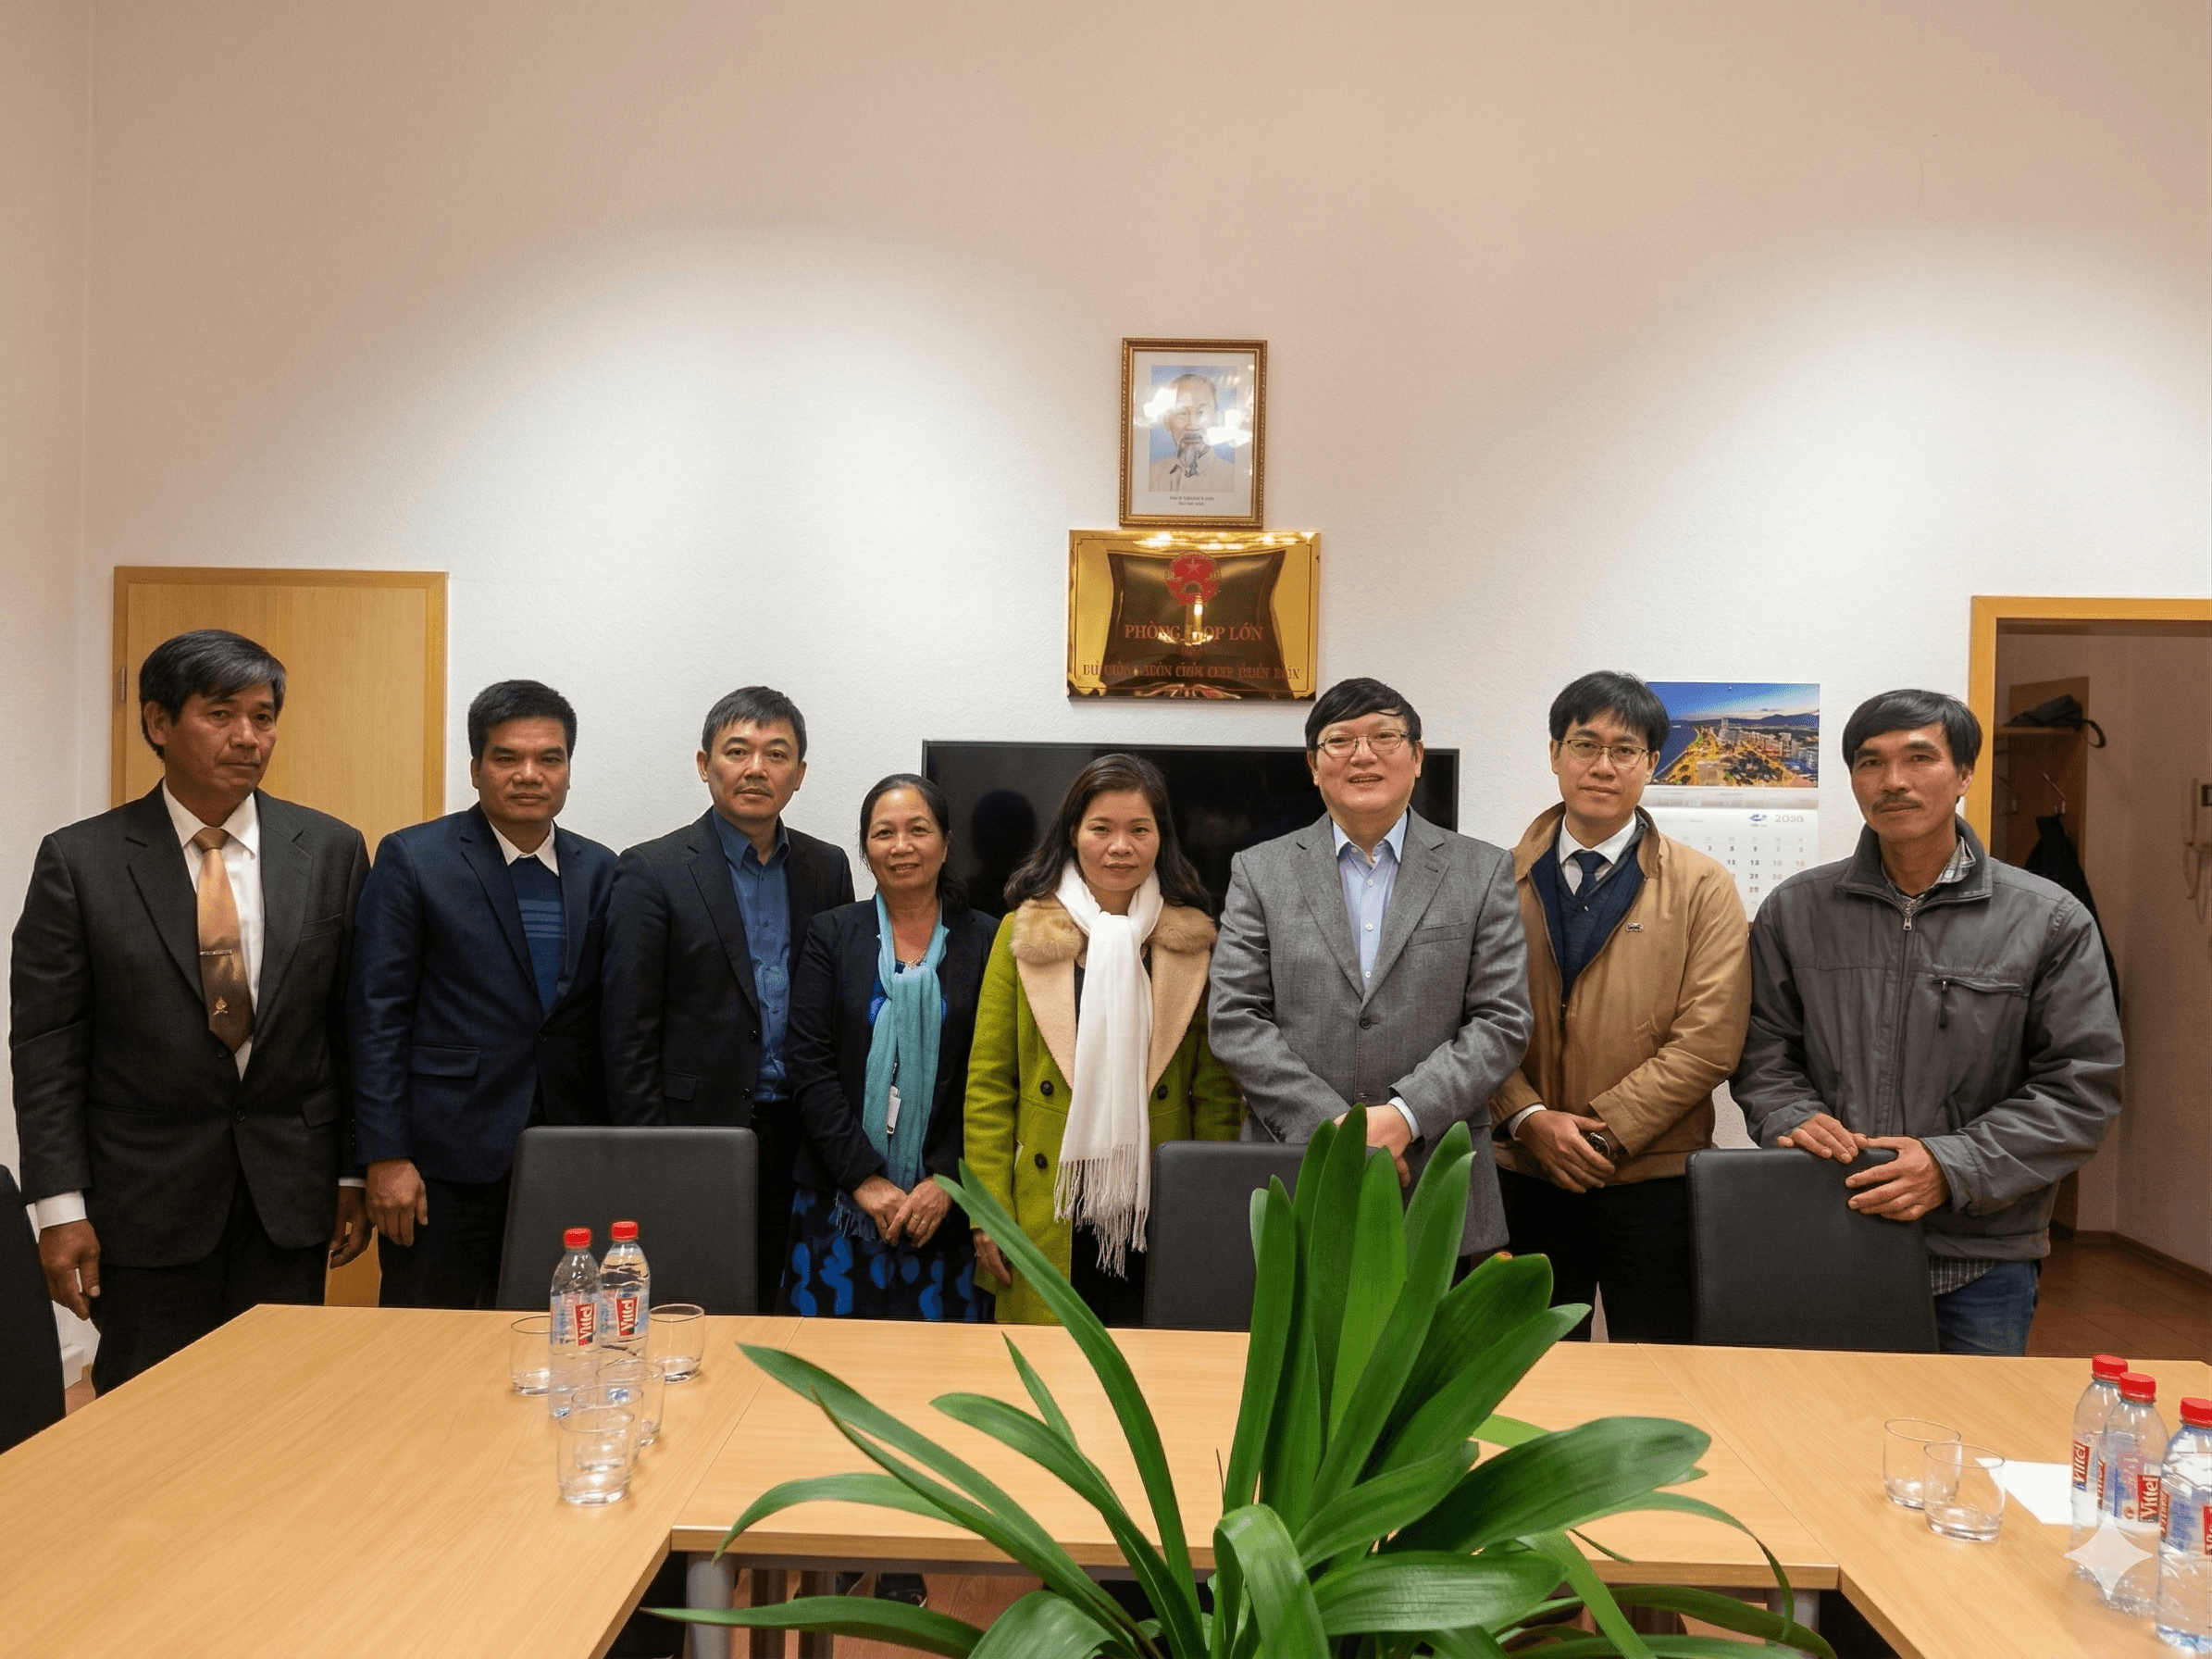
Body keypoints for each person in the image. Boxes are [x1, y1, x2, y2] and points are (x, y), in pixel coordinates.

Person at [10, 630, 373, 1391]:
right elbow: (47, 1046)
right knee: (150, 1420)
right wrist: (59, 1206)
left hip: (288, 1194)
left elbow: (349, 1027)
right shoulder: (80, 862)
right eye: (220, 714)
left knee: (284, 1407)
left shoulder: (332, 850)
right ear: (157, 723)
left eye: (264, 716)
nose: (248, 737)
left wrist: (349, 1175)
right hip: (144, 1203)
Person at [1733, 688, 2123, 1356]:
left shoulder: (2049, 919)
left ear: (1965, 774)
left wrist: (1950, 1165)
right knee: (1815, 1442)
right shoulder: (1794, 911)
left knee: (1963, 1447)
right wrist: (1789, 1116)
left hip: (1982, 1252)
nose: (1894, 781)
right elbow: (1762, 1055)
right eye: (1870, 762)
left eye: (1919, 757)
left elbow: (2080, 1088)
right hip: (1830, 1227)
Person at [1208, 677, 1533, 1263]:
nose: (1363, 754)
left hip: (1436, 1174)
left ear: (1416, 758)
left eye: (1384, 735)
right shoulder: (1260, 872)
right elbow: (1235, 1018)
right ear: (1313, 765)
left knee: (1435, 1354)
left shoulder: (1481, 872)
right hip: (1299, 1171)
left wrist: (1404, 1117)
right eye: (1340, 741)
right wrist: (1334, 1129)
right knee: (1301, 1353)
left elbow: (1501, 1021)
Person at [1488, 672, 1750, 1342]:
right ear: (1554, 754)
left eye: (1625, 750)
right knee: (1524, 1375)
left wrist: (1600, 1133)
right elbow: (1468, 1023)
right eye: (1584, 744)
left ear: (1651, 764)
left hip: (1654, 1180)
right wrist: (1528, 1119)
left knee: (1662, 1374)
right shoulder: (1492, 881)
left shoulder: (1702, 887)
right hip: (1524, 1174)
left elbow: (1710, 1039)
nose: (1602, 766)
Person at [347, 680, 616, 1310]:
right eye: (507, 758)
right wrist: (384, 1155)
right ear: (475, 769)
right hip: (444, 1161)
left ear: (568, 770)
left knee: (561, 1334)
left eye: (549, 758)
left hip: (568, 1153)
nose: (530, 775)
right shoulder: (415, 859)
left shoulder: (601, 870)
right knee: (429, 1347)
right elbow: (375, 1015)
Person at [963, 754, 1242, 1326]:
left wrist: (1207, 1205)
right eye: (1102, 829)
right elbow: (990, 1084)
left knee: (1153, 1376)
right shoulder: (1024, 930)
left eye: (1140, 829)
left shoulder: (1190, 939)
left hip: (1158, 1200)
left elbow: (1215, 1091)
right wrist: (986, 1212)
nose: (1121, 846)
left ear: (1162, 838)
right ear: (1073, 833)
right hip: (1049, 1200)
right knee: (1052, 1379)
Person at [602, 686, 853, 1311]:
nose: (755, 768)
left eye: (776, 754)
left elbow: (837, 1011)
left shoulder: (827, 867)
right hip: (694, 1130)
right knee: (695, 1300)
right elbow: (626, 1027)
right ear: (704, 764)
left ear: (799, 775)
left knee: (790, 1298)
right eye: (737, 751)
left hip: (803, 1131)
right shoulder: (652, 869)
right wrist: (650, 1150)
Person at [781, 774, 996, 1323]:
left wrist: (946, 1180)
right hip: (838, 1202)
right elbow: (809, 1065)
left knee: (937, 1383)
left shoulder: (990, 941)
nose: (902, 847)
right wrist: (863, 1178)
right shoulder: (832, 934)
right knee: (824, 1379)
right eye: (884, 834)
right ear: (866, 851)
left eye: (918, 830)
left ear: (946, 845)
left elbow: (993, 1077)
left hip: (945, 1208)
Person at [1145, 372, 1245, 496]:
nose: (1192, 425)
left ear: (1217, 420)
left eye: (1201, 412)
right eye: (1182, 413)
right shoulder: (1149, 476)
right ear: (1167, 421)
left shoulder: (1237, 480)